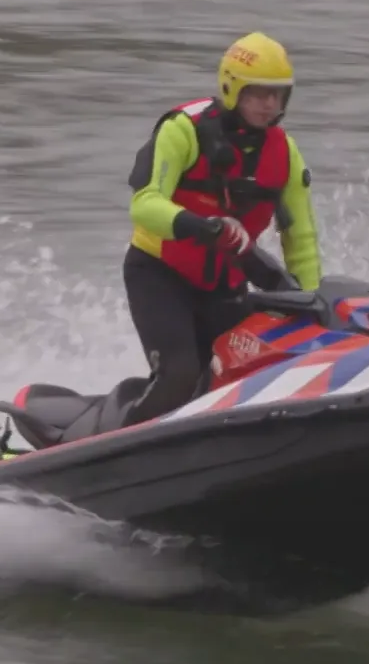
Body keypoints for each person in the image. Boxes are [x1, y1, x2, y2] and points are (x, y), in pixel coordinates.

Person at [119, 31, 324, 426]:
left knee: (245, 374)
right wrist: (200, 227)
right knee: (180, 375)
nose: (270, 105)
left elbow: (301, 241)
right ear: (232, 88)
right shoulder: (183, 128)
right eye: (259, 93)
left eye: (278, 95)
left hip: (226, 286)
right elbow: (144, 205)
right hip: (160, 274)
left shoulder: (286, 153)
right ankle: (113, 450)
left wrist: (312, 304)